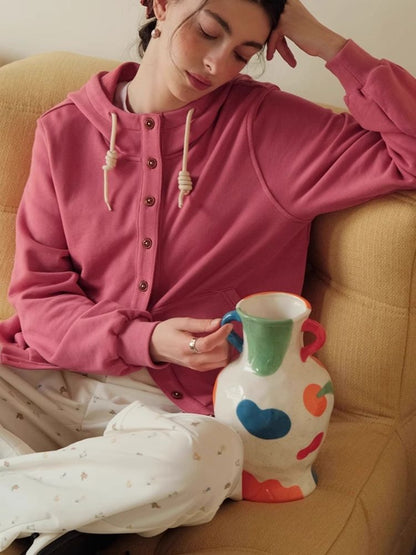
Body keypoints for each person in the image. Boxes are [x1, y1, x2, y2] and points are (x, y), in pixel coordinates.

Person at [0, 0, 415, 552]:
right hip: (45, 377)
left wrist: (327, 43)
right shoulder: (65, 130)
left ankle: (43, 499)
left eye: (243, 52)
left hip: (174, 413)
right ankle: (66, 509)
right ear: (161, 5)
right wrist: (143, 337)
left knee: (204, 460)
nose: (217, 64)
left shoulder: (270, 130)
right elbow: (38, 298)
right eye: (208, 31)